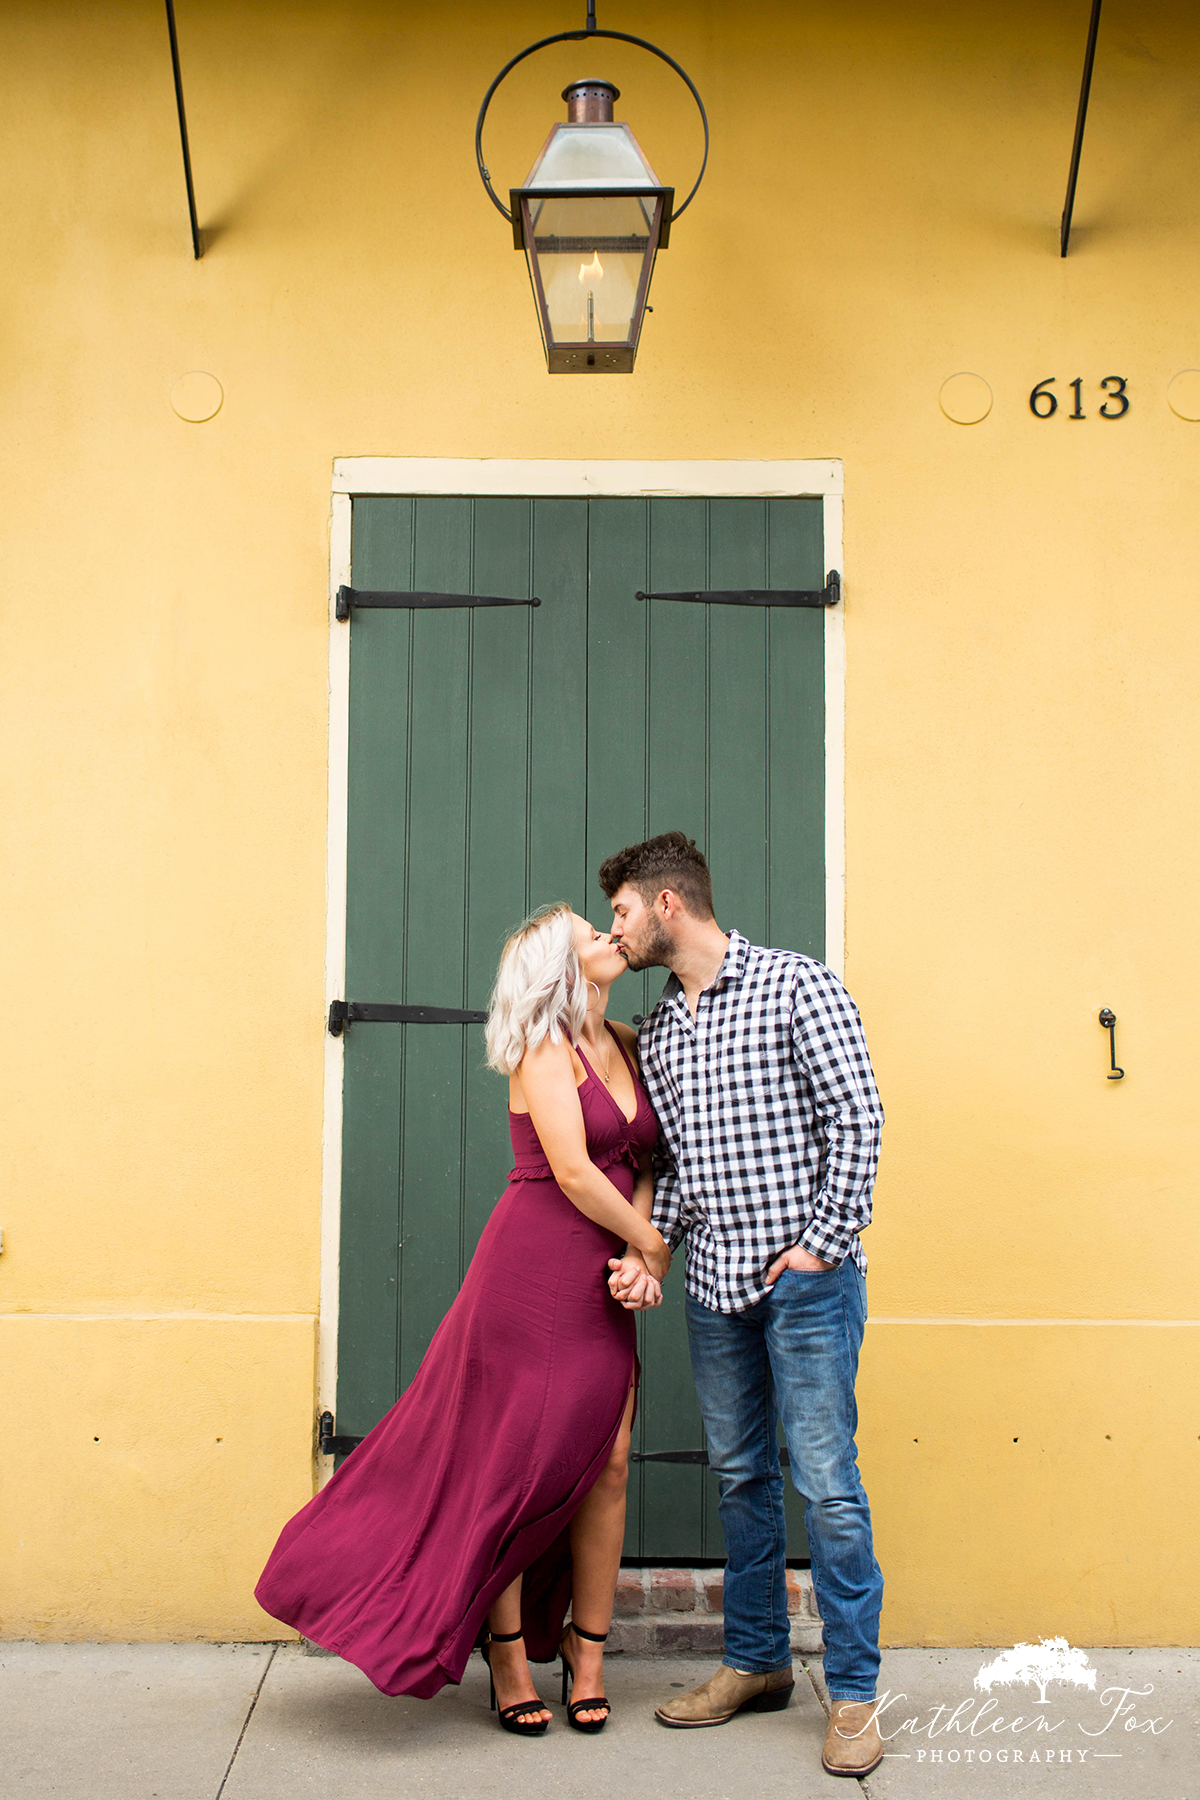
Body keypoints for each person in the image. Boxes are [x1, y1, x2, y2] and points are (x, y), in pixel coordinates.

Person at [254, 904, 669, 1736]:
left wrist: (638, 1257)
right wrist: (653, 1247)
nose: (608, 939)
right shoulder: (541, 1048)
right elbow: (578, 1175)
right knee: (508, 1466)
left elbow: (641, 1159)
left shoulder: (626, 1040)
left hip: (608, 1273)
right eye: (592, 933)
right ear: (560, 964)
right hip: (533, 1270)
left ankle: (589, 1658)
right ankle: (508, 1656)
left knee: (610, 1462)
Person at [600, 832, 886, 1779]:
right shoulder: (669, 1033)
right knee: (742, 1480)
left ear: (668, 905)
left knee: (827, 1487)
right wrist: (655, 1249)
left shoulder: (796, 984)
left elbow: (859, 1113)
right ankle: (757, 1662)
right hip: (718, 1293)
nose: (618, 928)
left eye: (623, 911)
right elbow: (679, 1168)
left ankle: (850, 1695)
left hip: (805, 1287)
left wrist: (819, 1246)